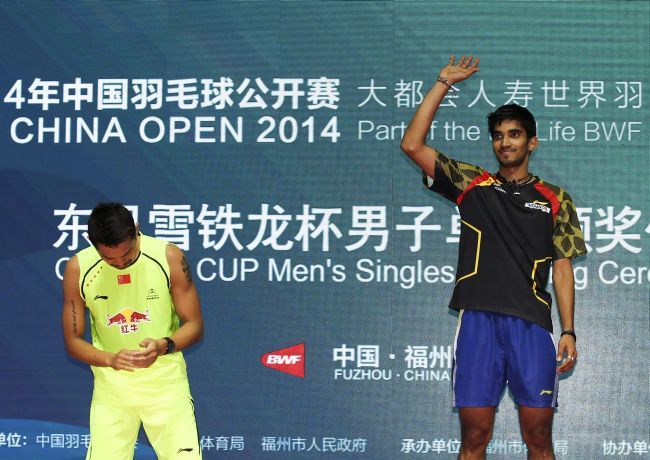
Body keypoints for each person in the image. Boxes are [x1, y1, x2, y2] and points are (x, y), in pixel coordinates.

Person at [401, 55, 587, 459]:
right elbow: (412, 145)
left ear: (531, 142)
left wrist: (568, 330)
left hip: (532, 326)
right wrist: (442, 83)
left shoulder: (556, 198)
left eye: (515, 134)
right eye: (499, 135)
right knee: (474, 439)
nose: (506, 142)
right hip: (478, 322)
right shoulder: (474, 184)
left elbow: (562, 266)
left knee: (539, 440)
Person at [61, 202, 204, 459]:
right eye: (109, 259)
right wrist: (110, 359)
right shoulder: (78, 268)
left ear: (136, 230)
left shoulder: (169, 257)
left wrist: (163, 345)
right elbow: (72, 341)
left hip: (166, 386)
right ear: (92, 244)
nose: (119, 264)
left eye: (127, 256)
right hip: (112, 390)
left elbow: (194, 325)